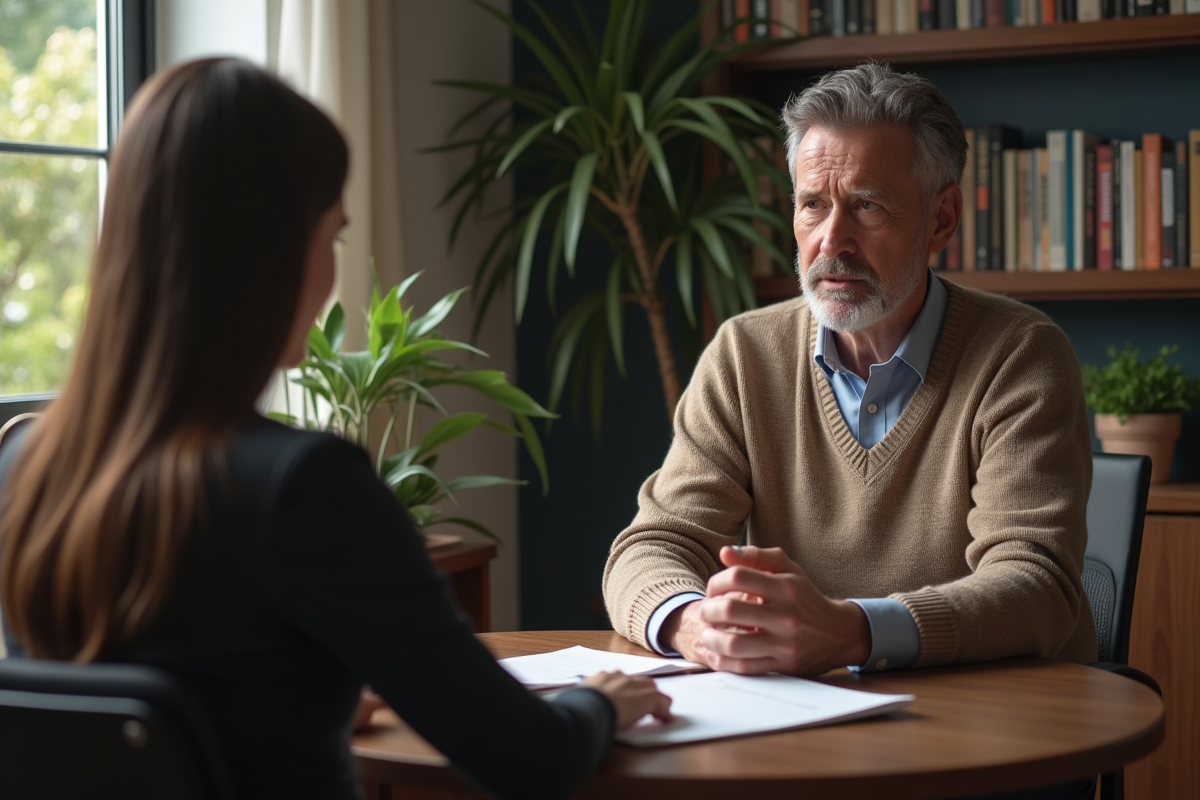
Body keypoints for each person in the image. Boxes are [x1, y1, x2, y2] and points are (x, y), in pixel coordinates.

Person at [0, 57, 670, 800]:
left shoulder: (26, 462)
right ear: (270, 252)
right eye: (333, 237)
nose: (331, 276)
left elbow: (125, 717)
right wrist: (602, 701)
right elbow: (530, 757)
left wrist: (294, 704)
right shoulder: (302, 486)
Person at [603, 63, 1095, 798]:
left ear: (941, 218)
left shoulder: (1020, 354)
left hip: (982, 746)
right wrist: (692, 623)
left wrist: (854, 631)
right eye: (811, 205)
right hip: (793, 736)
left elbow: (1036, 586)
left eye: (866, 206)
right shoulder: (744, 352)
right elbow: (651, 545)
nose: (830, 241)